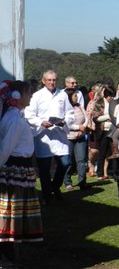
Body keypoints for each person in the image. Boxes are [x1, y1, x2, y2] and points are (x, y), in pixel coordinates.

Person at [0, 81, 43, 266]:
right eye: (28, 93)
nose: (30, 96)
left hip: (19, 172)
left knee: (13, 215)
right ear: (17, 96)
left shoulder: (16, 116)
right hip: (15, 173)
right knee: (10, 215)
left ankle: (10, 252)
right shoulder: (14, 119)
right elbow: (5, 149)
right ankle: (7, 254)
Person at [24, 70, 73, 204]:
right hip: (43, 135)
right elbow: (29, 114)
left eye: (54, 80)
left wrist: (65, 121)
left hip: (59, 134)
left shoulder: (62, 94)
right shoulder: (37, 96)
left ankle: (55, 187)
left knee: (65, 163)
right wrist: (41, 122)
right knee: (44, 169)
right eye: (49, 80)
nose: (52, 82)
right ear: (44, 81)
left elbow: (70, 113)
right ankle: (47, 195)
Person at [63, 88, 93, 190]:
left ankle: (82, 182)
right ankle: (67, 182)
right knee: (68, 160)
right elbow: (66, 124)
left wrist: (83, 128)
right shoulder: (64, 108)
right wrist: (77, 127)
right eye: (75, 95)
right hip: (68, 137)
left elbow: (86, 117)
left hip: (80, 137)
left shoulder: (79, 106)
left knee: (81, 160)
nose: (77, 97)